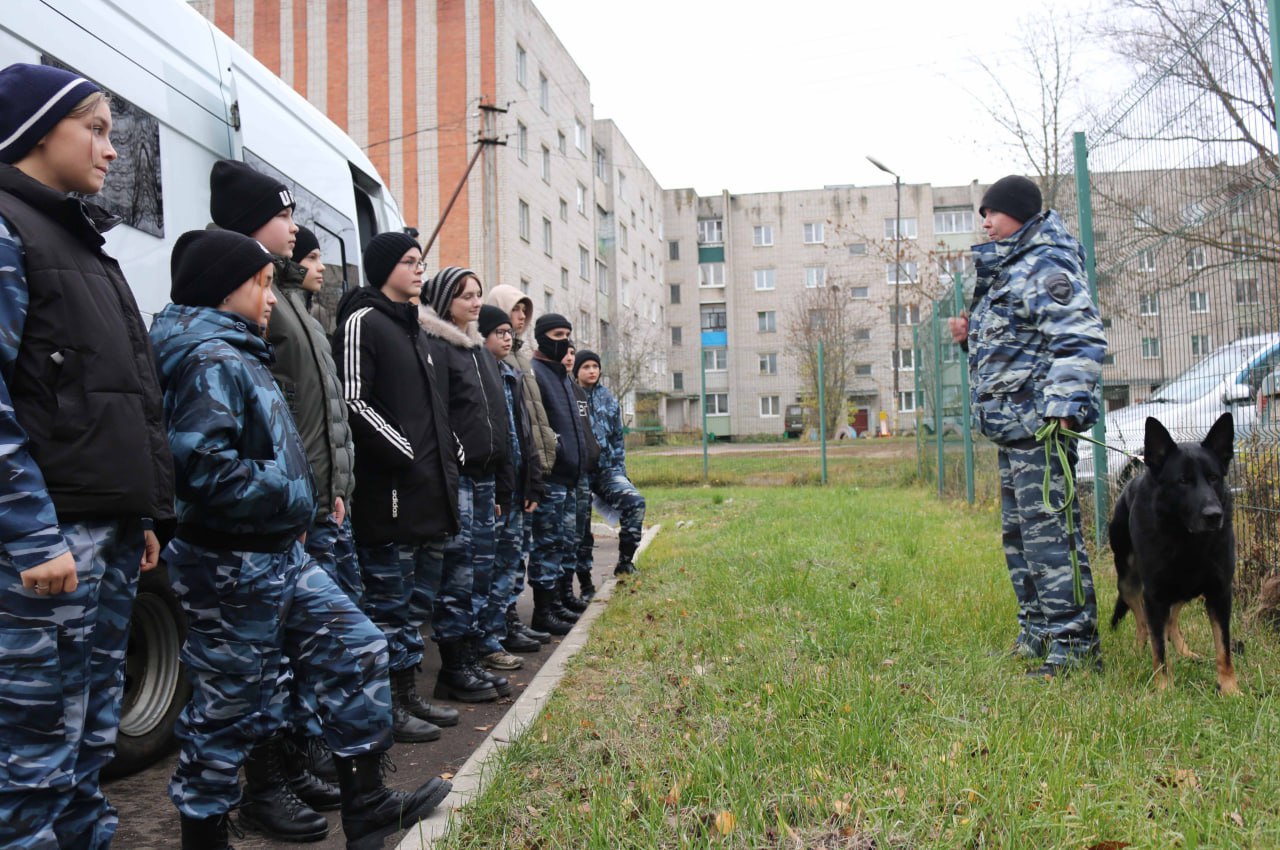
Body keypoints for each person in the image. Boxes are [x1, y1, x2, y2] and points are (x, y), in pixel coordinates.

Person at [152, 229, 450, 849]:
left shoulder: (242, 351)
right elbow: (200, 467)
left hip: (280, 555)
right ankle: (204, 836)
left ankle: (367, 807)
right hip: (231, 562)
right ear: (224, 289)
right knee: (227, 709)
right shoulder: (209, 359)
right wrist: (290, 487)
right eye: (262, 285)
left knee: (358, 648)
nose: (270, 297)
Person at [0, 62, 174, 850]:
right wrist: (33, 534)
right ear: (37, 132)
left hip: (103, 533)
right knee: (30, 759)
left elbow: (123, 394)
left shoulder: (84, 242)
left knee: (89, 743)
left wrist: (140, 513)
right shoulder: (9, 230)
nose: (112, 149)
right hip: (46, 545)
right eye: (96, 129)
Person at [947, 175, 1107, 678]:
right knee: (1021, 538)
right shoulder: (1010, 267)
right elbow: (1015, 349)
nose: (986, 223)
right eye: (983, 215)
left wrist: (1062, 406)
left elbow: (1080, 338)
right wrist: (968, 339)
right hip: (1015, 429)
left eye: (992, 212)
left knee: (1051, 539)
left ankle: (1075, 647)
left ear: (1019, 212)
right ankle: (1038, 633)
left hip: (1042, 429)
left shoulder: (1045, 263)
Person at [332, 232, 462, 742]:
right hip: (388, 495)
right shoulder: (363, 321)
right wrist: (405, 452)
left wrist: (448, 453)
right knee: (387, 605)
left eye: (420, 262)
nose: (419, 270)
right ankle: (387, 704)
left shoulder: (415, 330)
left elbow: (432, 408)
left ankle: (407, 695)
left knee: (412, 607)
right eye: (409, 262)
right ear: (384, 268)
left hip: (426, 494)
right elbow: (354, 400)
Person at [419, 267, 518, 687]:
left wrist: (500, 478)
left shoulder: (479, 350)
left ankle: (473, 654)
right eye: (466, 296)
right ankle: (453, 665)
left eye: (478, 294)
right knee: (457, 571)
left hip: (485, 478)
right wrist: (459, 459)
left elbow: (497, 418)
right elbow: (439, 413)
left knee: (481, 568)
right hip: (457, 477)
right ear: (446, 301)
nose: (477, 302)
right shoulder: (437, 346)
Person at [484, 284, 556, 646]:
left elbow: (529, 422)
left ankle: (509, 621)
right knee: (500, 557)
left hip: (525, 470)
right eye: (515, 309)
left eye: (525, 310)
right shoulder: (494, 363)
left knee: (516, 554)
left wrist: (535, 473)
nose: (521, 317)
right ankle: (500, 625)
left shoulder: (520, 361)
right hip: (503, 476)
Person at [476, 305, 544, 657]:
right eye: (499, 332)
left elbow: (524, 433)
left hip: (516, 485)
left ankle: (505, 624)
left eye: (508, 333)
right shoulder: (480, 371)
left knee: (512, 560)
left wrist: (532, 480)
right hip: (494, 487)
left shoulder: (511, 375)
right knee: (489, 565)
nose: (507, 338)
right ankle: (488, 635)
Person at [527, 315, 591, 635]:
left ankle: (559, 601)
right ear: (541, 337)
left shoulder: (562, 376)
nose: (564, 341)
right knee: (547, 544)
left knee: (564, 542)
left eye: (567, 334)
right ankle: (544, 611)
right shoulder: (535, 373)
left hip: (570, 476)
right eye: (557, 334)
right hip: (550, 476)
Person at [575, 349, 647, 582]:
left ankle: (625, 563)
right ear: (576, 371)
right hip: (578, 473)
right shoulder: (570, 396)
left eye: (595, 366)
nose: (592, 371)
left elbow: (617, 439)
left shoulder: (608, 398)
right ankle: (584, 580)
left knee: (635, 503)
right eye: (586, 367)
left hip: (606, 471)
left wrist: (620, 473)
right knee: (581, 524)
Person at [562, 342, 599, 613]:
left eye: (572, 353)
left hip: (584, 472)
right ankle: (559, 597)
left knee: (581, 533)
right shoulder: (553, 386)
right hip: (564, 474)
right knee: (564, 537)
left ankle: (578, 589)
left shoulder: (576, 392)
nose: (569, 357)